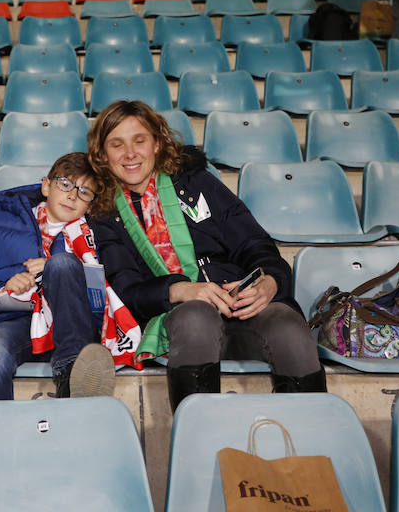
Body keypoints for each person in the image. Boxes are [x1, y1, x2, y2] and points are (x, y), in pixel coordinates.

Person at [86, 100, 325, 412]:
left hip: (238, 304)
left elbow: (255, 243)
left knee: (289, 327)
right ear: (103, 156)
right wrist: (183, 290)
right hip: (173, 317)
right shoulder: (103, 212)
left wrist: (268, 281)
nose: (130, 154)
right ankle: (198, 444)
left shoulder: (196, 182)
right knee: (197, 316)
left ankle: (309, 447)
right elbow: (124, 289)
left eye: (139, 140)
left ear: (157, 143)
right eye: (117, 144)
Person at [0, 153, 117, 401]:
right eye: (65, 184)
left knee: (61, 264)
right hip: (17, 322)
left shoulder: (98, 233)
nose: (72, 195)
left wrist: (58, 271)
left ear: (90, 204)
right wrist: (1, 289)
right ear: (46, 186)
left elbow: (107, 300)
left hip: (75, 326)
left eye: (84, 192)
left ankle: (73, 376)